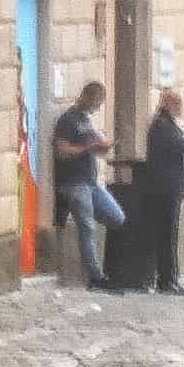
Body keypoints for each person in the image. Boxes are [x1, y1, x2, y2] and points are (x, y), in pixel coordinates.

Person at [128, 87, 184, 295]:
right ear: (168, 104)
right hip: (165, 189)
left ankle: (169, 279)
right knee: (167, 236)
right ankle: (167, 281)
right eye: (177, 104)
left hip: (171, 188)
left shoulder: (170, 124)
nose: (181, 108)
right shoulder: (162, 125)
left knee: (170, 235)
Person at [46, 82, 116, 285]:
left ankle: (103, 266)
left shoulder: (87, 120)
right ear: (87, 97)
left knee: (116, 217)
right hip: (74, 182)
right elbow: (62, 150)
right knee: (87, 227)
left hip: (90, 181)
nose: (98, 107)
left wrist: (102, 148)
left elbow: (93, 146)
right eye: (97, 102)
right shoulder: (68, 120)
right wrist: (89, 147)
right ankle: (96, 276)